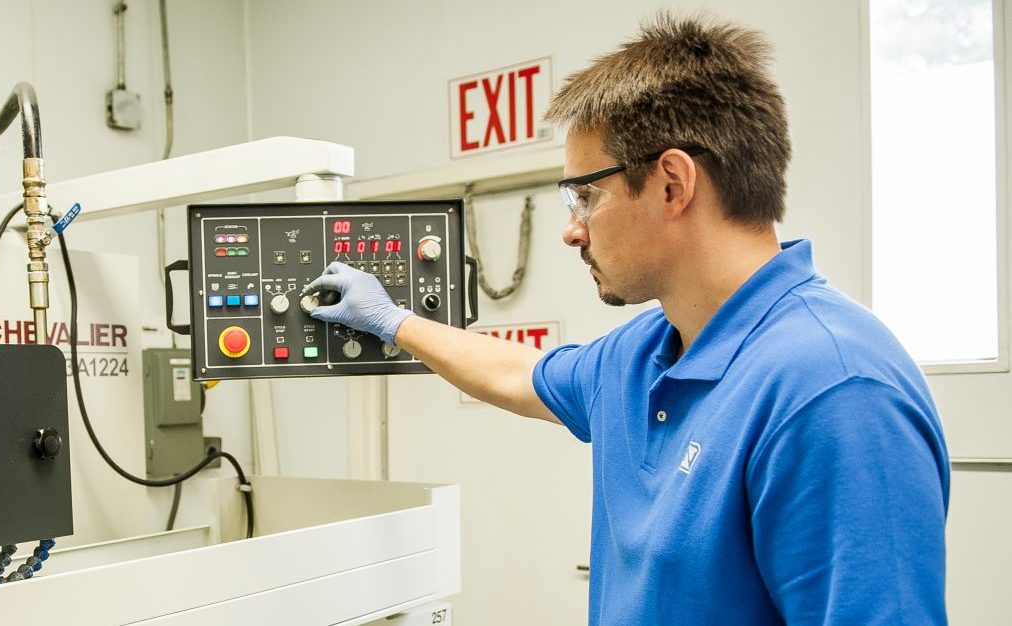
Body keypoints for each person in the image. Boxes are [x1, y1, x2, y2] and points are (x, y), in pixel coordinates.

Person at [303, 13, 949, 625]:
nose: (571, 230)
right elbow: (519, 374)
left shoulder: (833, 391)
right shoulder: (643, 354)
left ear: (672, 184)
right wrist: (391, 321)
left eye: (585, 195)